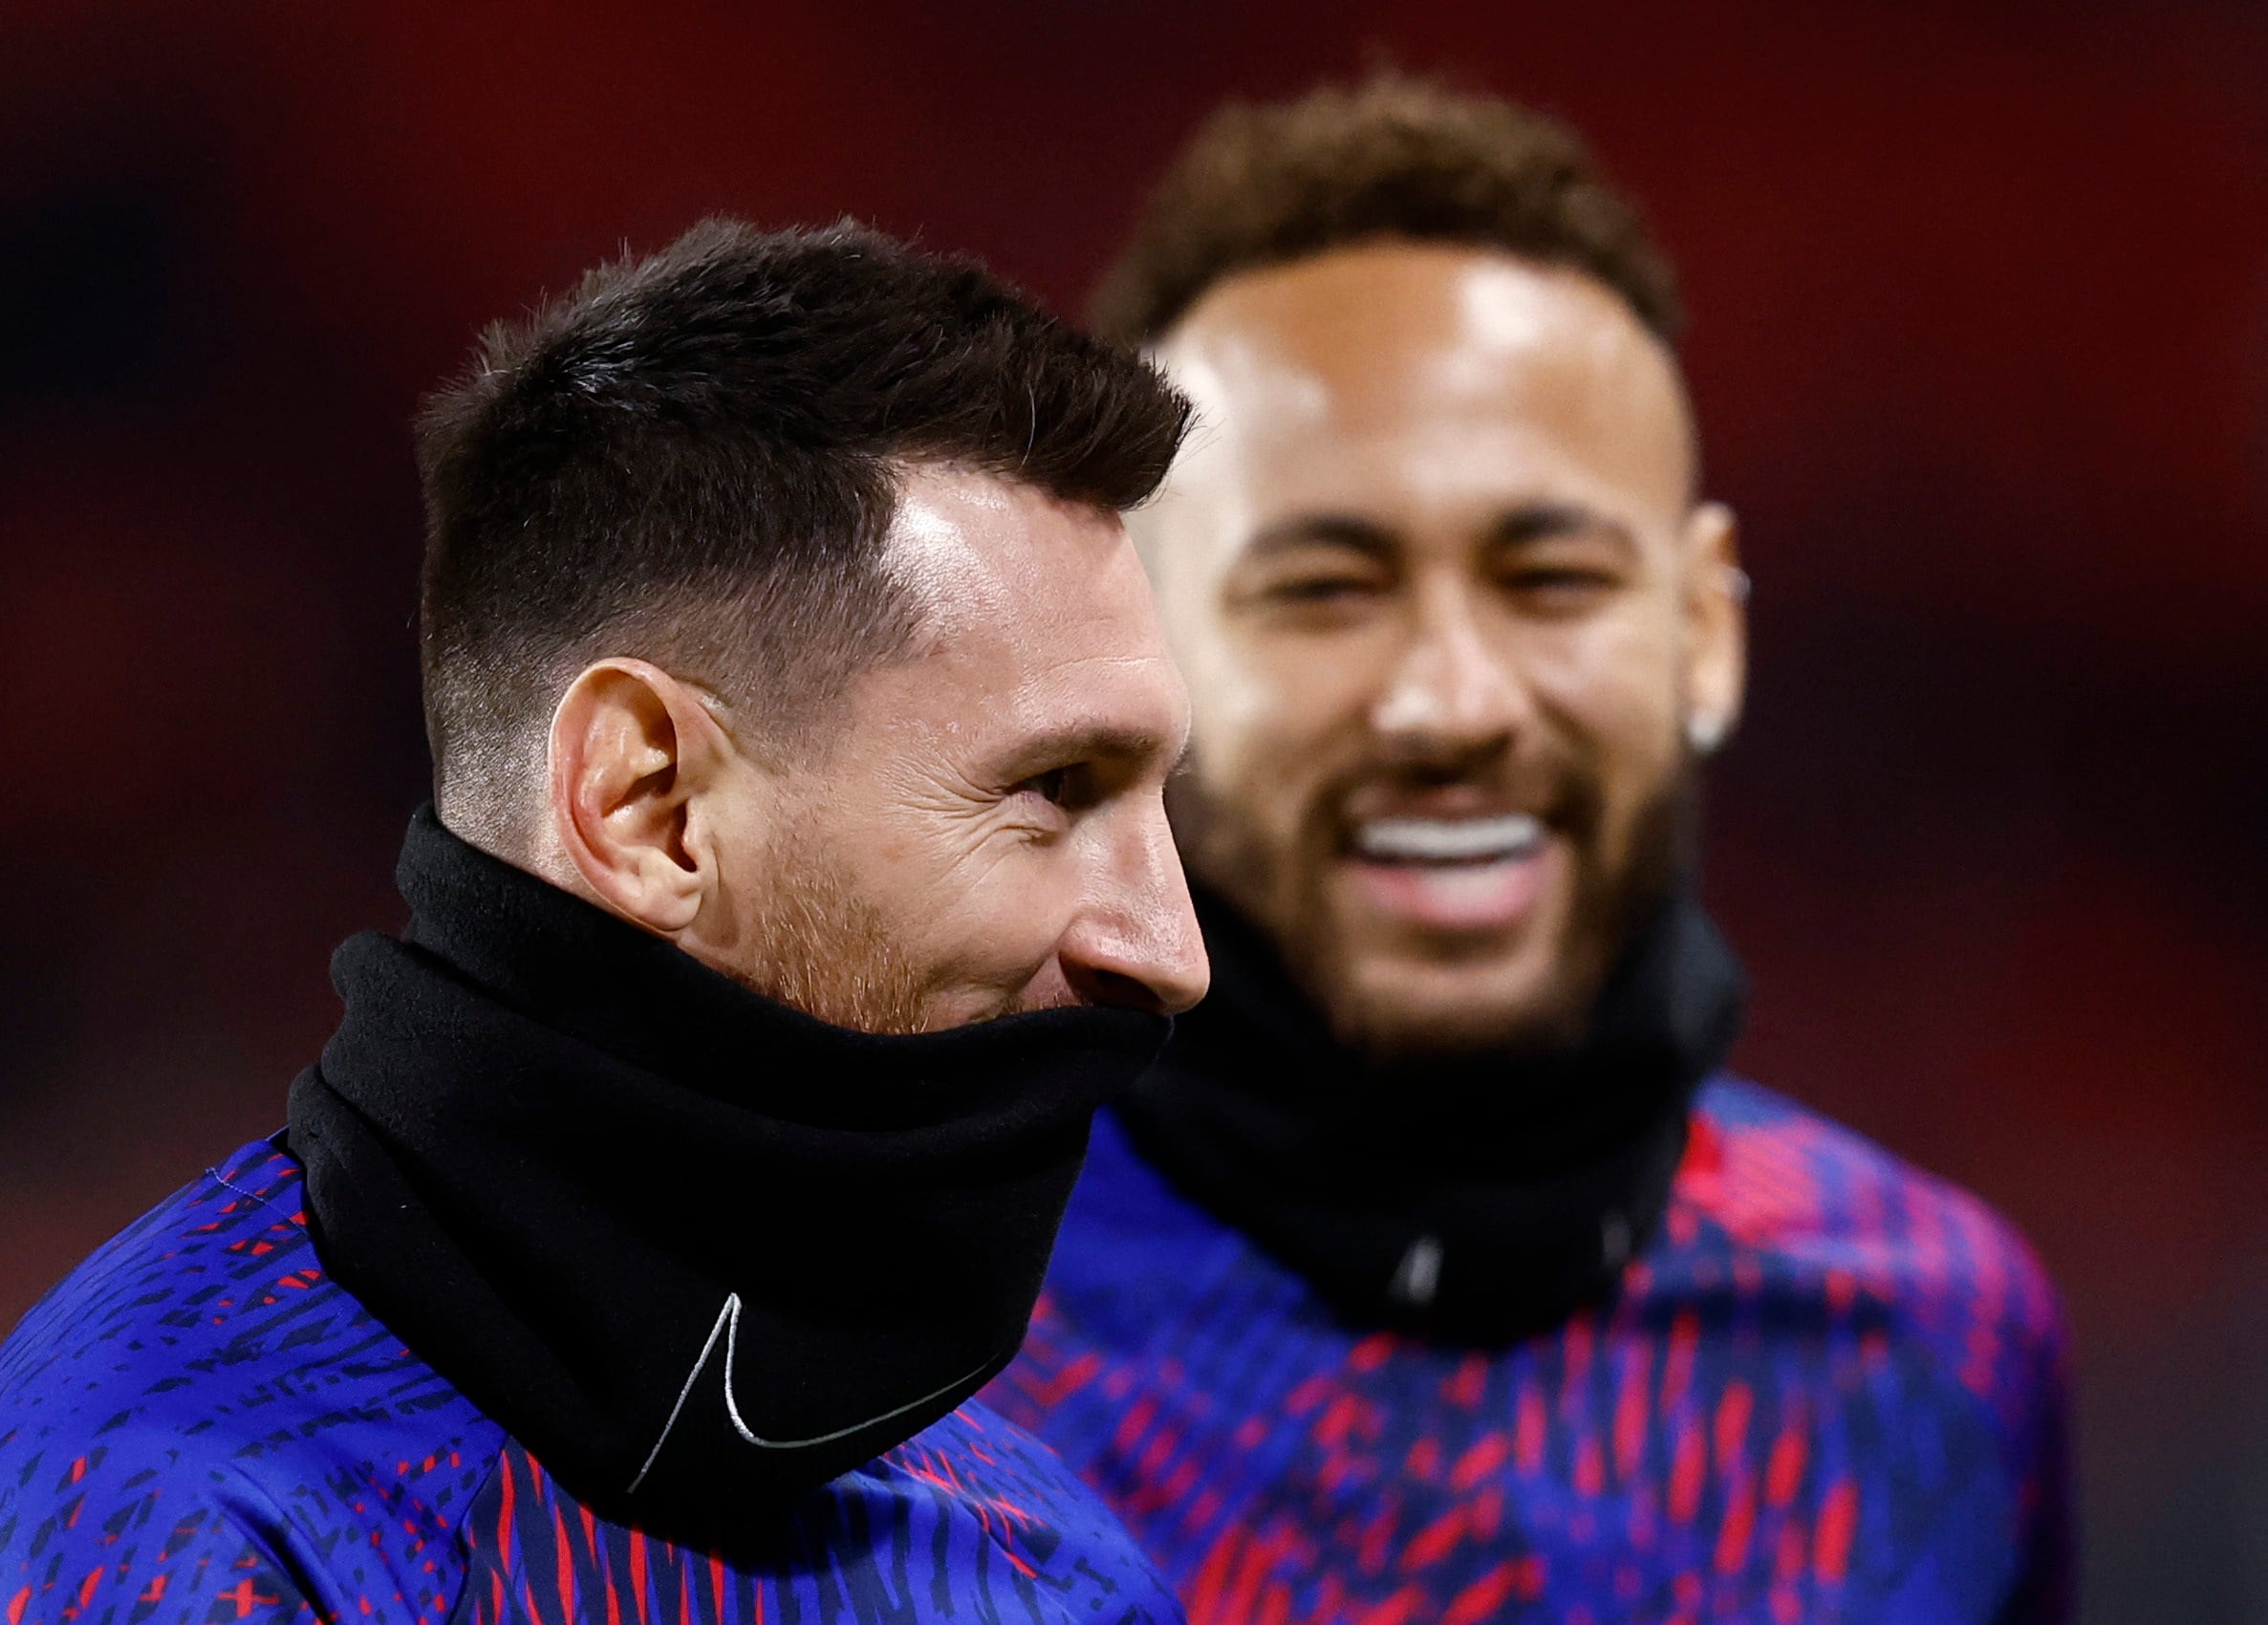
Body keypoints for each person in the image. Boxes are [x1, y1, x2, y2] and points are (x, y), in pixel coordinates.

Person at [0, 218, 1212, 1624]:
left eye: (1158, 805)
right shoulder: (150, 1525)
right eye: (1055, 789)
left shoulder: (1039, 1557)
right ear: (651, 806)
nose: (1170, 950)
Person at [983, 76, 2071, 1623]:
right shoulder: (898, 1317)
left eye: (1550, 577)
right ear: (1129, 646)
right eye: (1322, 589)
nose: (1450, 703)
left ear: (1700, 632)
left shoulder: (1942, 1342)